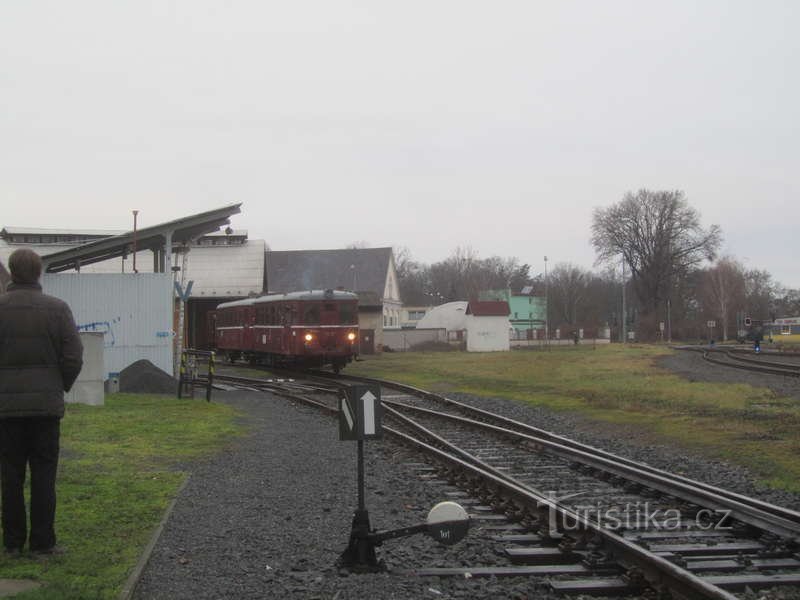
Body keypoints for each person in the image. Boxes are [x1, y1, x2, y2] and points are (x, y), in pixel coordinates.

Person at [0, 249, 83, 555]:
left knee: (9, 477)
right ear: (38, 273)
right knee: (44, 476)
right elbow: (73, 355)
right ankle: (42, 543)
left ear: (11, 271)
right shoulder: (58, 309)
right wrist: (58, 385)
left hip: (6, 411)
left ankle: (11, 543)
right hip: (46, 410)